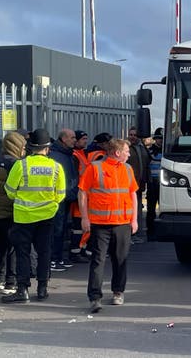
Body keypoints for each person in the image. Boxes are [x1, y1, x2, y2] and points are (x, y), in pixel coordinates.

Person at [2, 128, 66, 303]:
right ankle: (42, 289)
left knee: (23, 253)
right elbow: (60, 195)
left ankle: (22, 290)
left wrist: (24, 199)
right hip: (46, 217)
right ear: (47, 148)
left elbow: (9, 191)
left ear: (30, 147)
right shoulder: (56, 167)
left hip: (23, 217)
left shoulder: (20, 165)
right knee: (44, 252)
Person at [79, 138, 138, 313]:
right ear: (117, 153)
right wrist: (84, 218)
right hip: (100, 224)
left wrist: (134, 220)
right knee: (98, 260)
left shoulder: (127, 169)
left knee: (120, 260)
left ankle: (118, 292)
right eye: (127, 151)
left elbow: (133, 194)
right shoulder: (95, 168)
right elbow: (82, 192)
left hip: (122, 224)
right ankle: (95, 297)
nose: (129, 154)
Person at [0, 132, 26, 294]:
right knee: (13, 248)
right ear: (16, 146)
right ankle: (10, 282)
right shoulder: (15, 164)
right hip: (13, 210)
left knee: (2, 246)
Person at [48, 128, 78, 272]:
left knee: (62, 229)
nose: (74, 140)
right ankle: (53, 259)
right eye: (72, 137)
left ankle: (58, 257)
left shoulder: (67, 155)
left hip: (66, 197)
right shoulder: (56, 156)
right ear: (63, 139)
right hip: (57, 199)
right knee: (56, 230)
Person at [69, 130, 90, 263]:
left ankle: (80, 250)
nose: (85, 141)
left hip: (84, 195)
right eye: (83, 139)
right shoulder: (75, 155)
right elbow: (76, 177)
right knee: (77, 228)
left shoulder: (82, 154)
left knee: (82, 228)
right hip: (79, 196)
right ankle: (75, 252)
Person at [127, 127, 150, 242]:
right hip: (129, 185)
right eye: (131, 134)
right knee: (130, 210)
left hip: (140, 184)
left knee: (137, 210)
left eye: (135, 135)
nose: (132, 137)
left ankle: (136, 233)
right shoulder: (126, 149)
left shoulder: (142, 148)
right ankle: (130, 235)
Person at [146, 127, 163, 240]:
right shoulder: (149, 151)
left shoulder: (168, 151)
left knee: (163, 209)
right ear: (155, 139)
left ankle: (161, 231)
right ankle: (151, 232)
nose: (161, 141)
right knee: (151, 210)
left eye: (162, 138)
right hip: (153, 184)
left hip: (163, 184)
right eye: (158, 138)